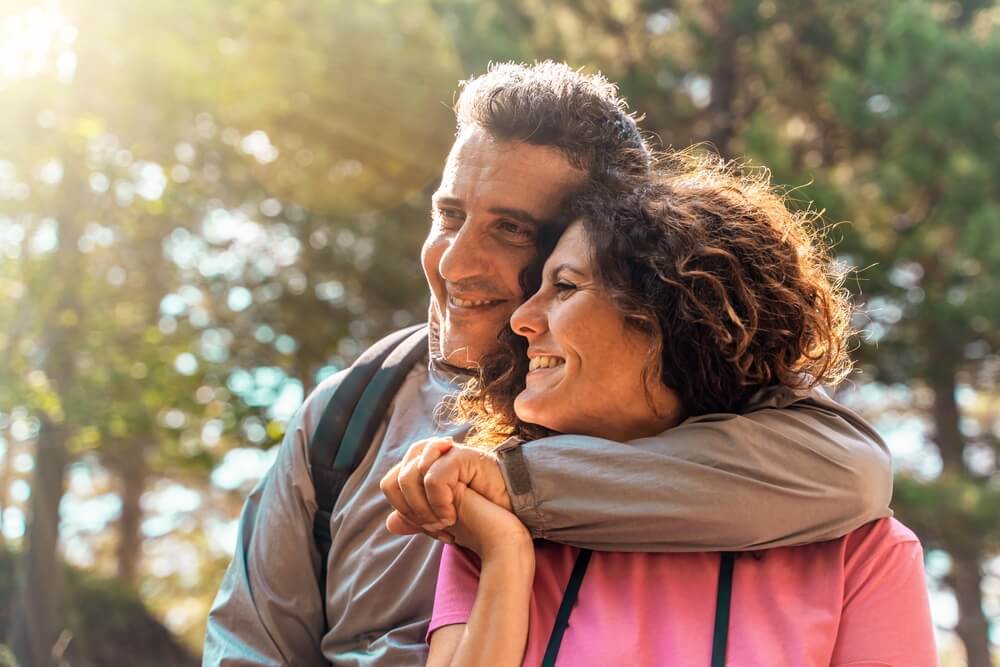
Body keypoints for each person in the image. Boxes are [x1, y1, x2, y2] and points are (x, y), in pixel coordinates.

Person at [204, 62, 892, 666]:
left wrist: (509, 486)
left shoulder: (691, 407)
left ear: (599, 238)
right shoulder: (349, 412)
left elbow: (852, 471)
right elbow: (251, 647)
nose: (452, 262)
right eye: (449, 214)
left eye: (509, 227)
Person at [419, 158, 936, 666]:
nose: (523, 319)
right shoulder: (487, 521)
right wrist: (506, 554)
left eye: (566, 287)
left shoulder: (860, 554)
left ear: (677, 315)